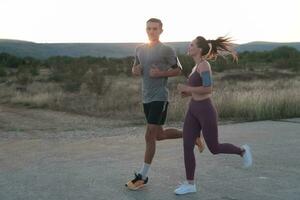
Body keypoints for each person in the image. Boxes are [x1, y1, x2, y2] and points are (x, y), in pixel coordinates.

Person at [125, 18, 205, 190]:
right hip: (146, 96)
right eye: (149, 29)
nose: (151, 31)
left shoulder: (167, 49)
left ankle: (142, 176)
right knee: (159, 135)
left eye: (155, 29)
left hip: (160, 97)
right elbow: (135, 68)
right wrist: (135, 70)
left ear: (161, 30)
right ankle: (192, 136)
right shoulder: (139, 49)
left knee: (149, 136)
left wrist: (160, 73)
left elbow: (178, 69)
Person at [174, 36, 253, 195]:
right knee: (187, 145)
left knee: (214, 148)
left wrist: (188, 89)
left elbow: (208, 88)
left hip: (205, 110)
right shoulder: (195, 67)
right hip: (193, 109)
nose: (188, 47)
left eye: (191, 45)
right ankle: (190, 184)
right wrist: (186, 93)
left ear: (199, 49)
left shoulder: (204, 65)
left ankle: (242, 151)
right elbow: (197, 89)